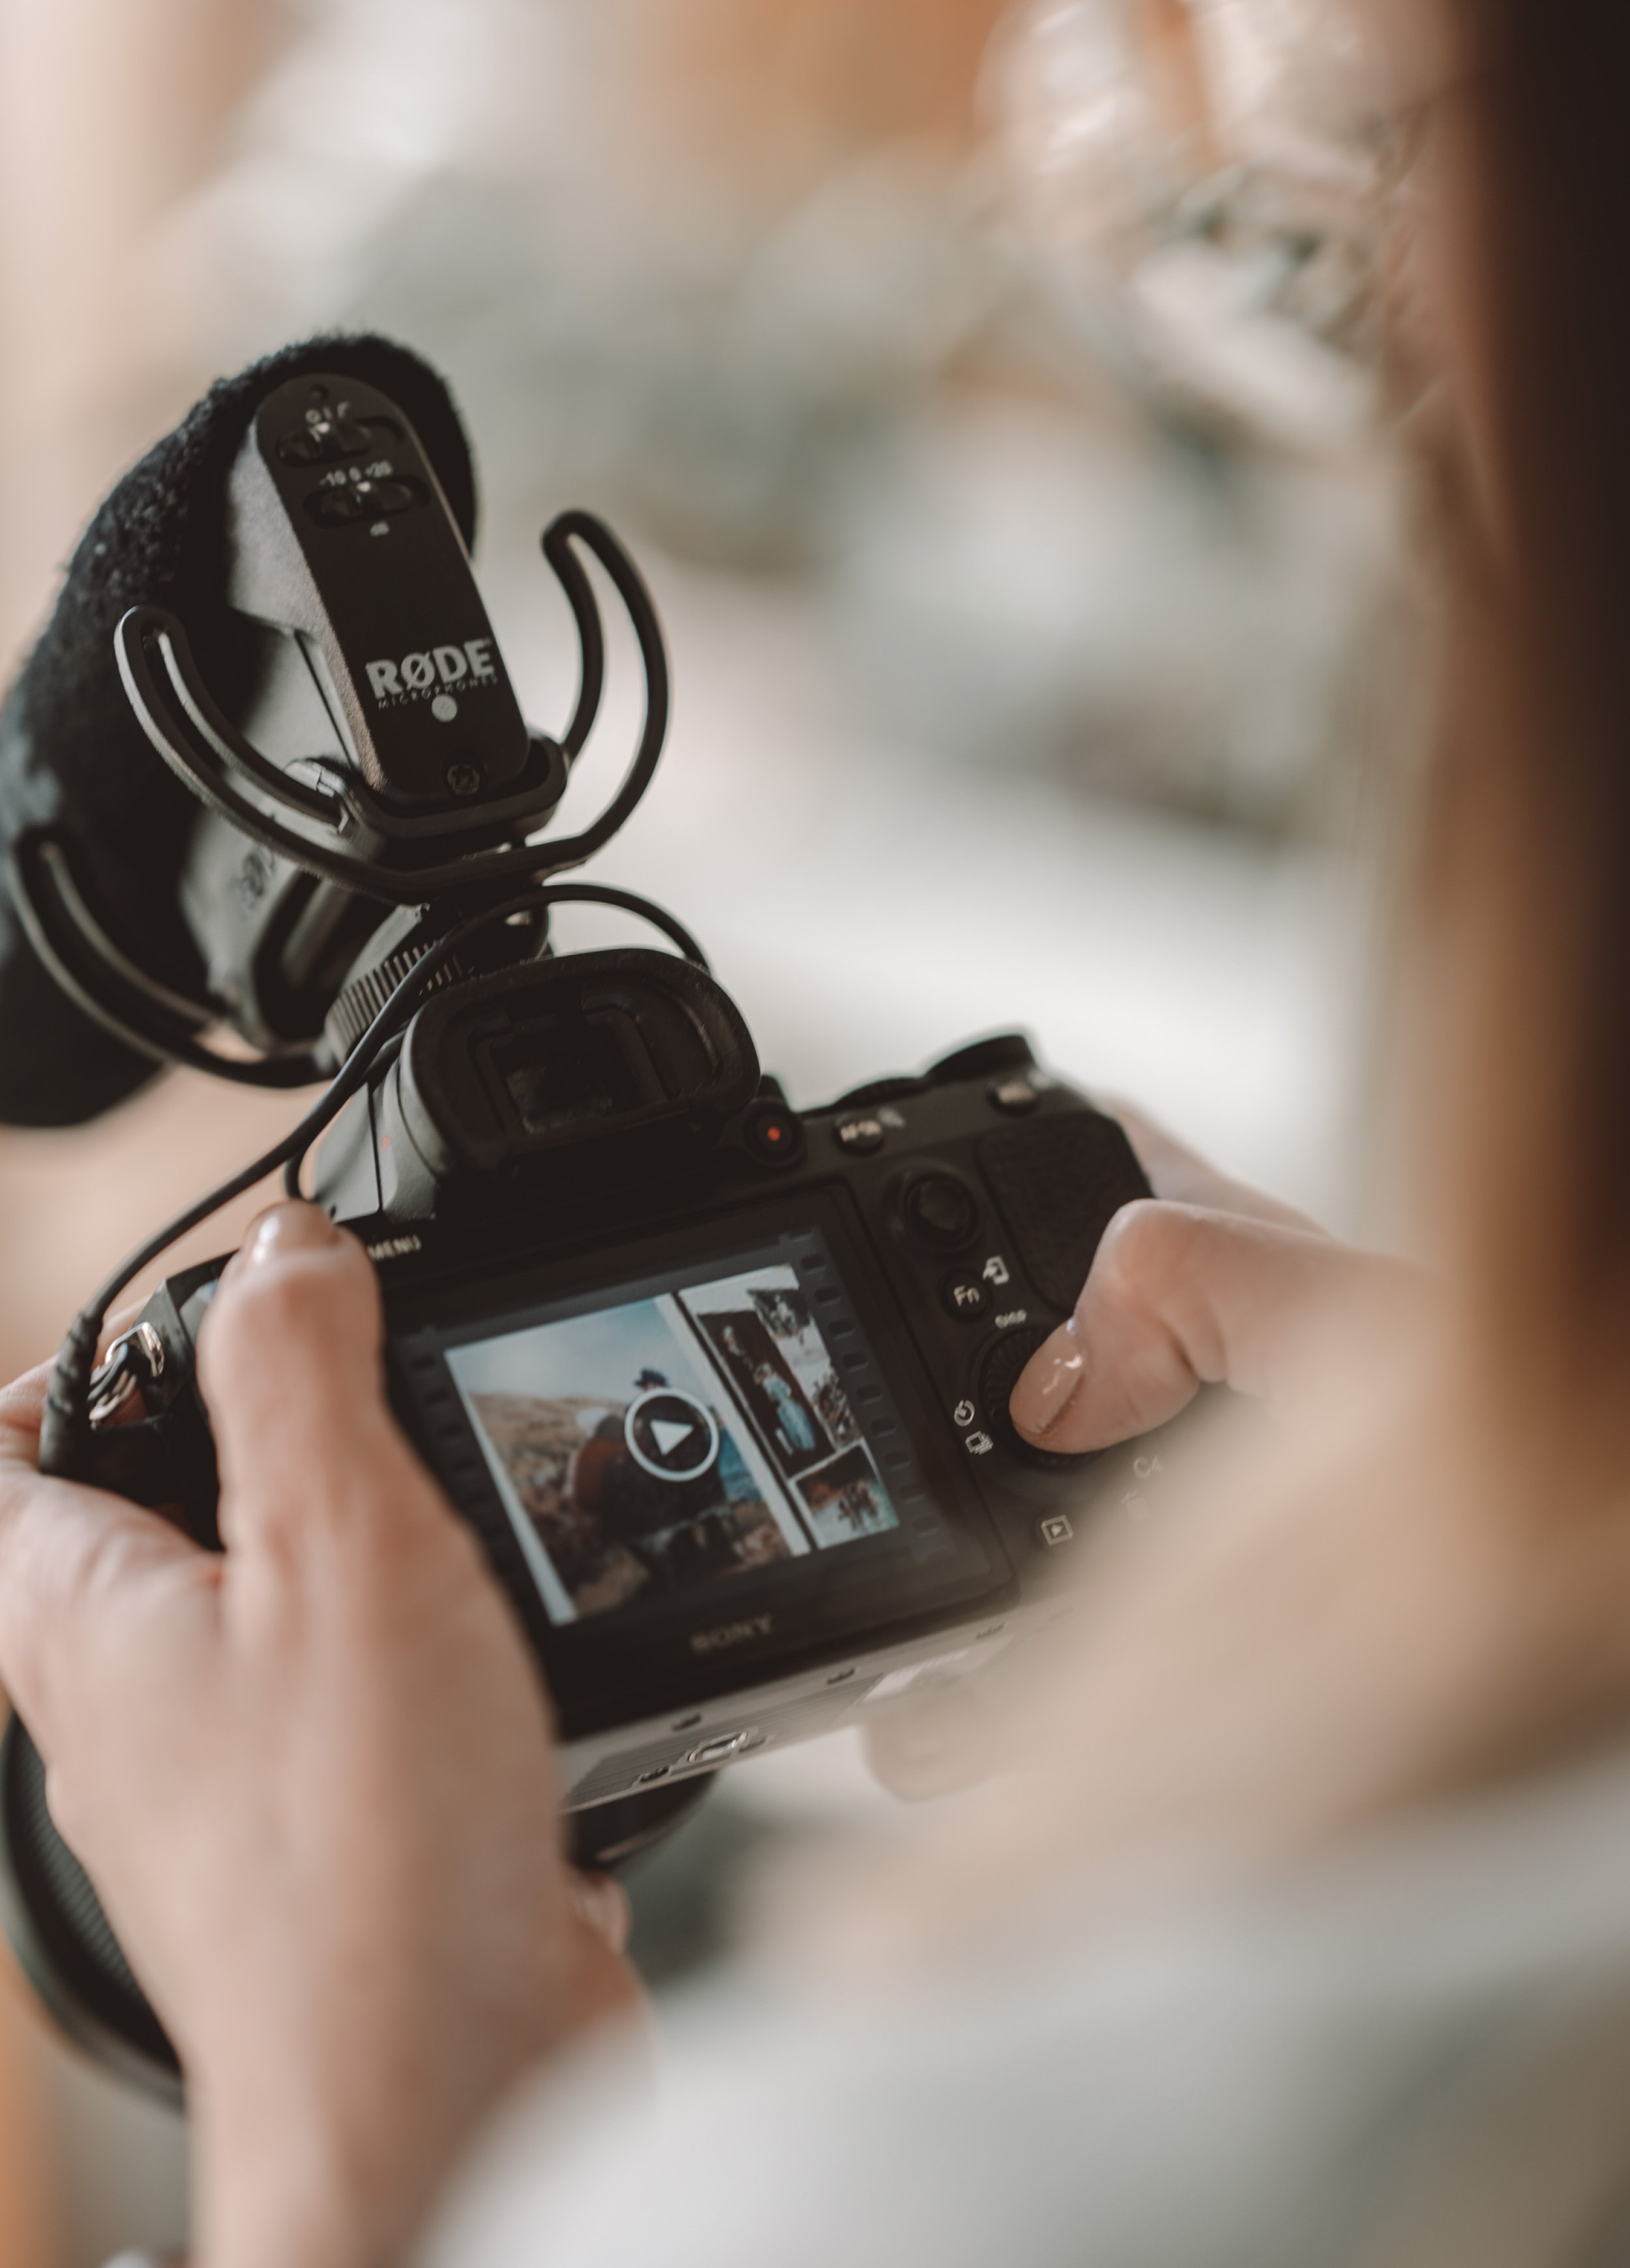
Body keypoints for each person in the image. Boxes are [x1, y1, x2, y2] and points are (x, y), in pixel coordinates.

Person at [9, 1, 1630, 2262]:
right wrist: (1517, 1493)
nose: (1346, 400)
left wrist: (378, 2136)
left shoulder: (961, 2184)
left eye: (1323, 213)